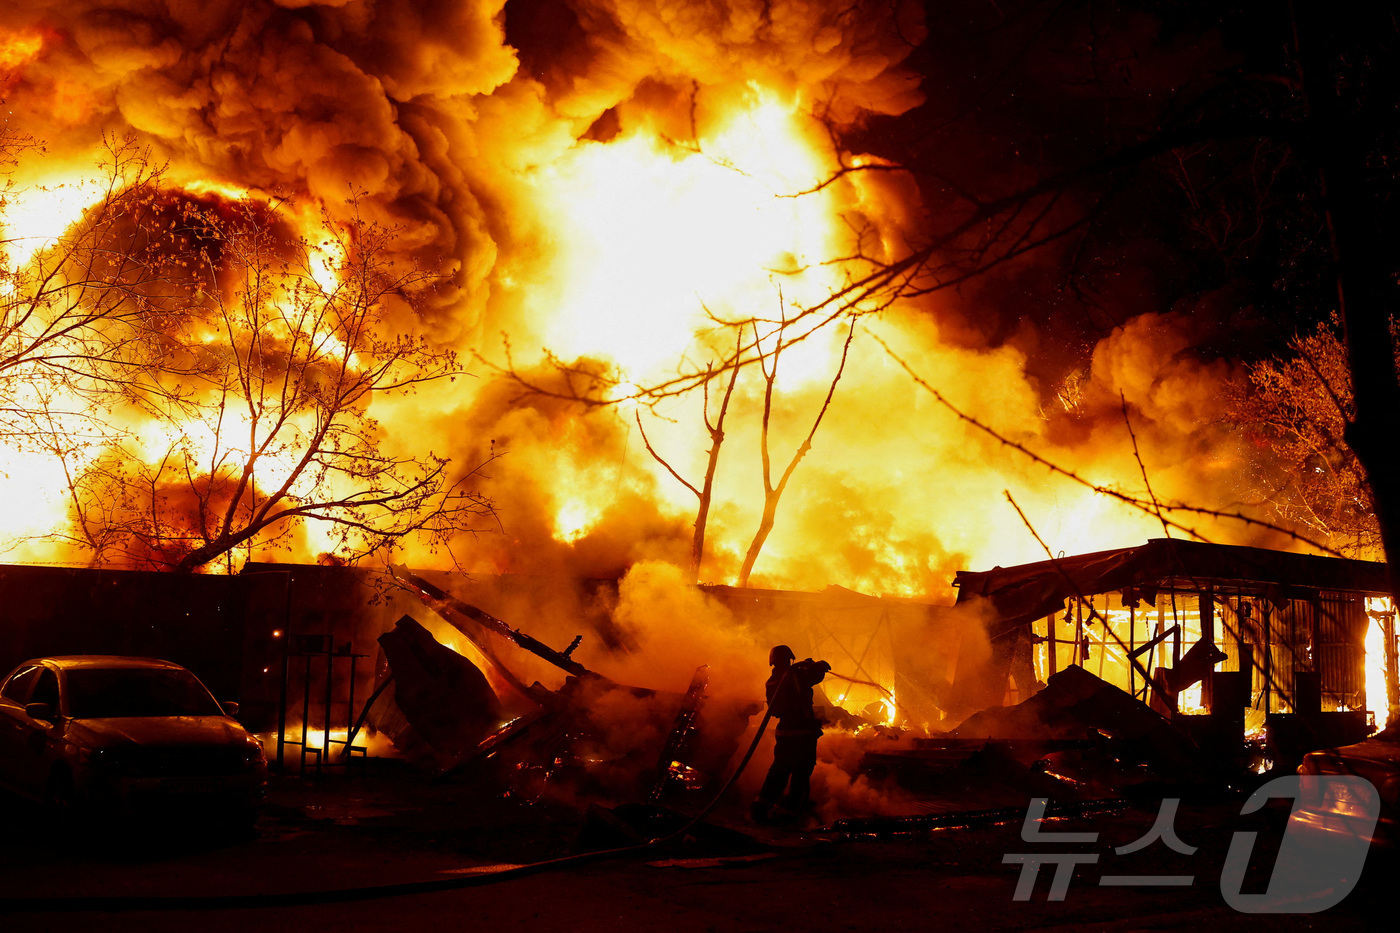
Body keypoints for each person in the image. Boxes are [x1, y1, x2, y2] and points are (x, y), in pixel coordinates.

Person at [751, 644, 830, 823]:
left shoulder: (772, 681)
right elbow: (813, 676)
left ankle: (760, 807)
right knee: (802, 772)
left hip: (785, 732)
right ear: (789, 659)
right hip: (801, 732)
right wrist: (819, 665)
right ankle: (792, 812)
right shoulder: (793, 675)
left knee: (779, 770)